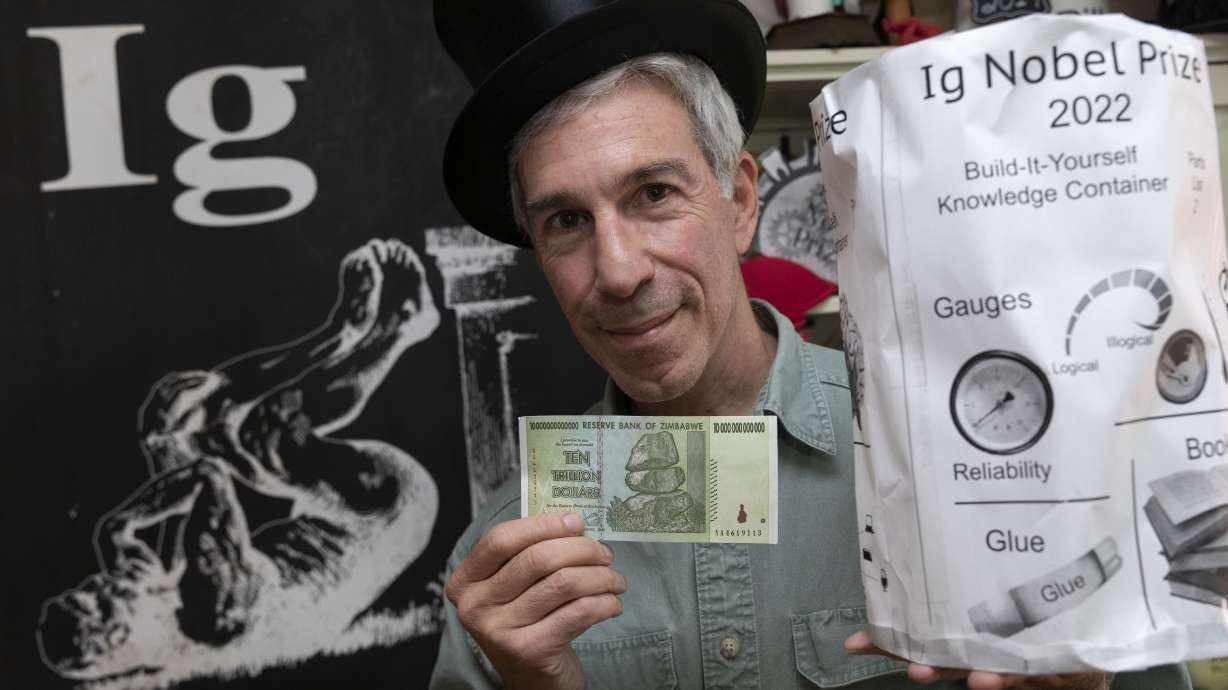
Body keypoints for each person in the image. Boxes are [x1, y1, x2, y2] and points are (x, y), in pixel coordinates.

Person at [429, 1, 1194, 689]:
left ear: (738, 201)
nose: (620, 271)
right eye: (566, 221)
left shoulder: (977, 455)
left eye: (654, 195)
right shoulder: (509, 569)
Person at [38, 239, 442, 684]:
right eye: (102, 598)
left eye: (90, 586)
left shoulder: (147, 606)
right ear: (119, 634)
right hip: (389, 510)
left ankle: (368, 333)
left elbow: (164, 535)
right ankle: (384, 330)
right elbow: (206, 479)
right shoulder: (213, 609)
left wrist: (163, 455)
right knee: (265, 435)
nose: (103, 583)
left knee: (178, 424)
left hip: (331, 517)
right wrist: (120, 521)